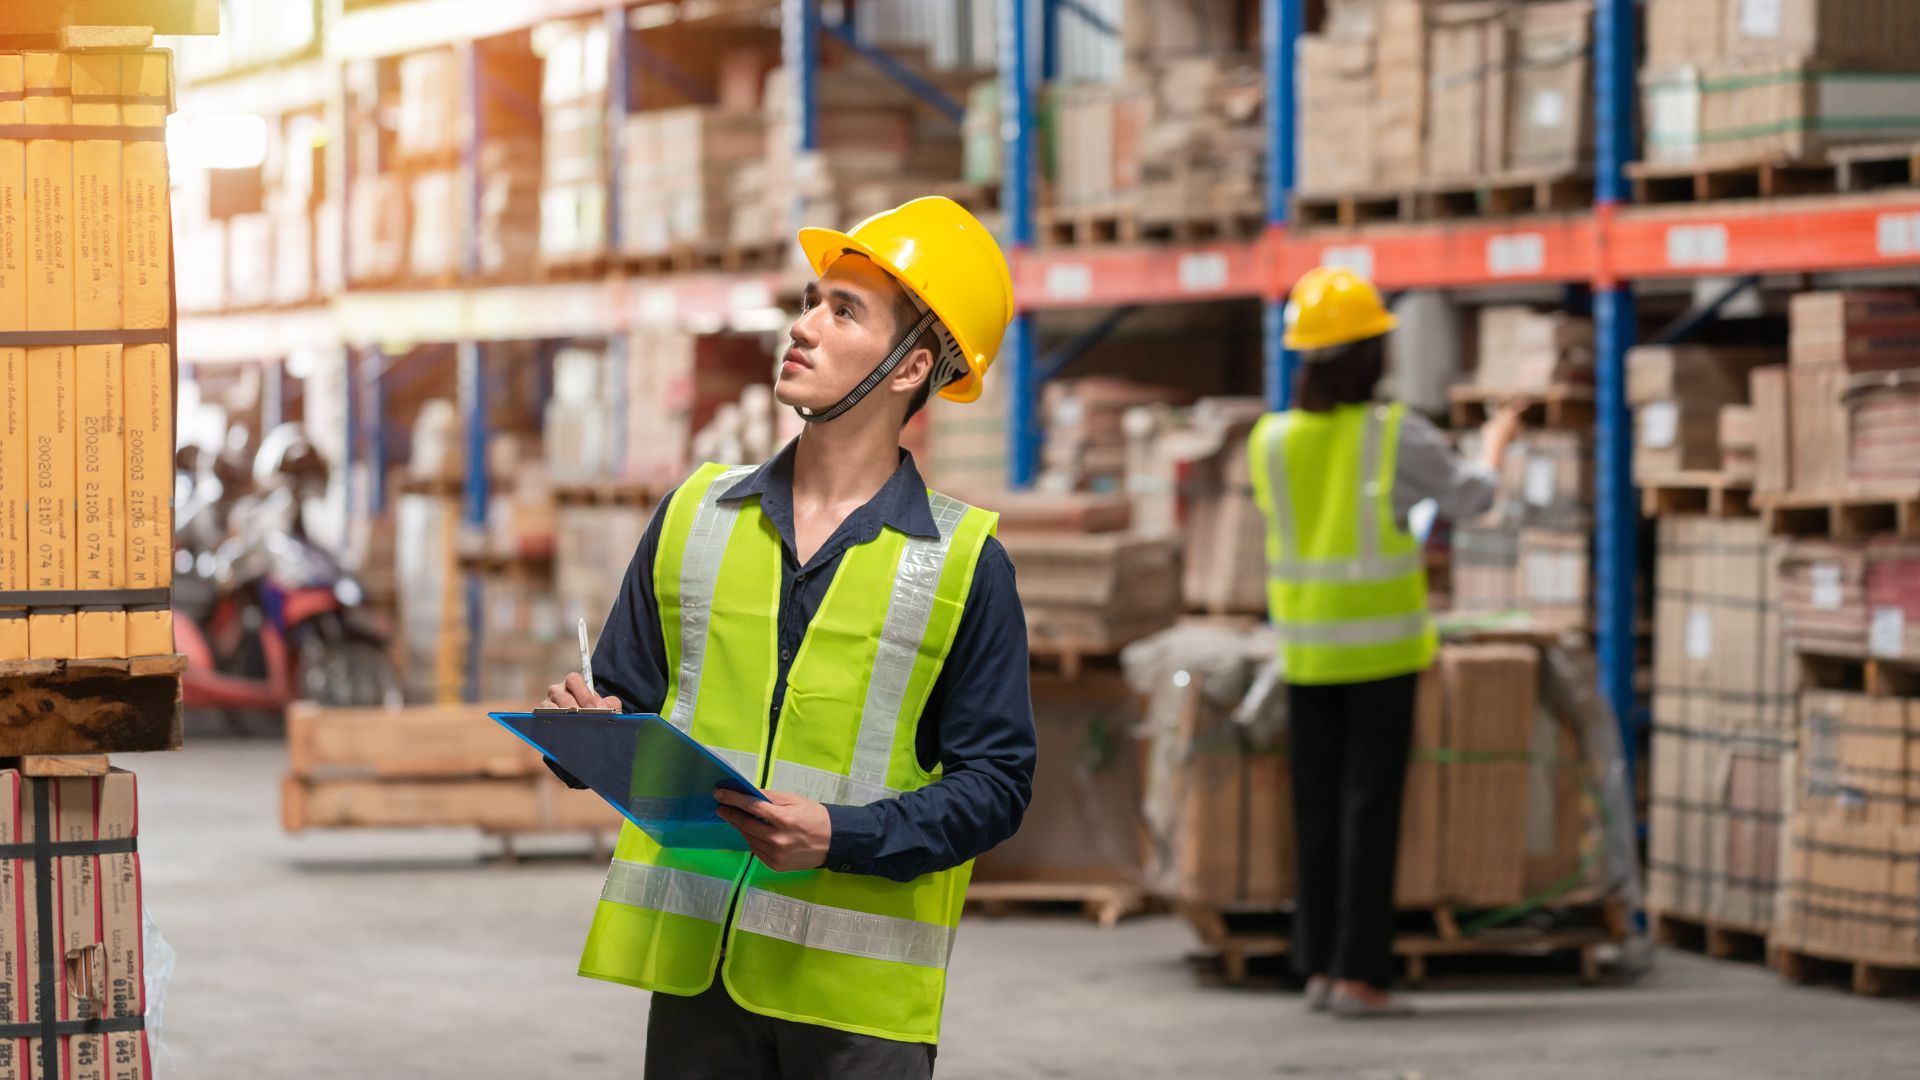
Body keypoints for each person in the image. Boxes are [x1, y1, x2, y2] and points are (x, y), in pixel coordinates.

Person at [541, 196, 1036, 1078]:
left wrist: (840, 835)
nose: (803, 326)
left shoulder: (965, 564)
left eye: (843, 310)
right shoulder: (697, 515)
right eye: (812, 300)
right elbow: (626, 701)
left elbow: (996, 785)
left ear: (908, 367)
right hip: (700, 984)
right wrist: (584, 731)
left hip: (856, 1006)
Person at [1249, 267, 1523, 1019]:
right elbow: (1472, 497)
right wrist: (1495, 442)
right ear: (1370, 356)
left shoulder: (1269, 441)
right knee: (1370, 817)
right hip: (1379, 657)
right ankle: (1360, 975)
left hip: (1304, 653)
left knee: (1317, 815)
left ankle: (1319, 967)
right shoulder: (1394, 435)